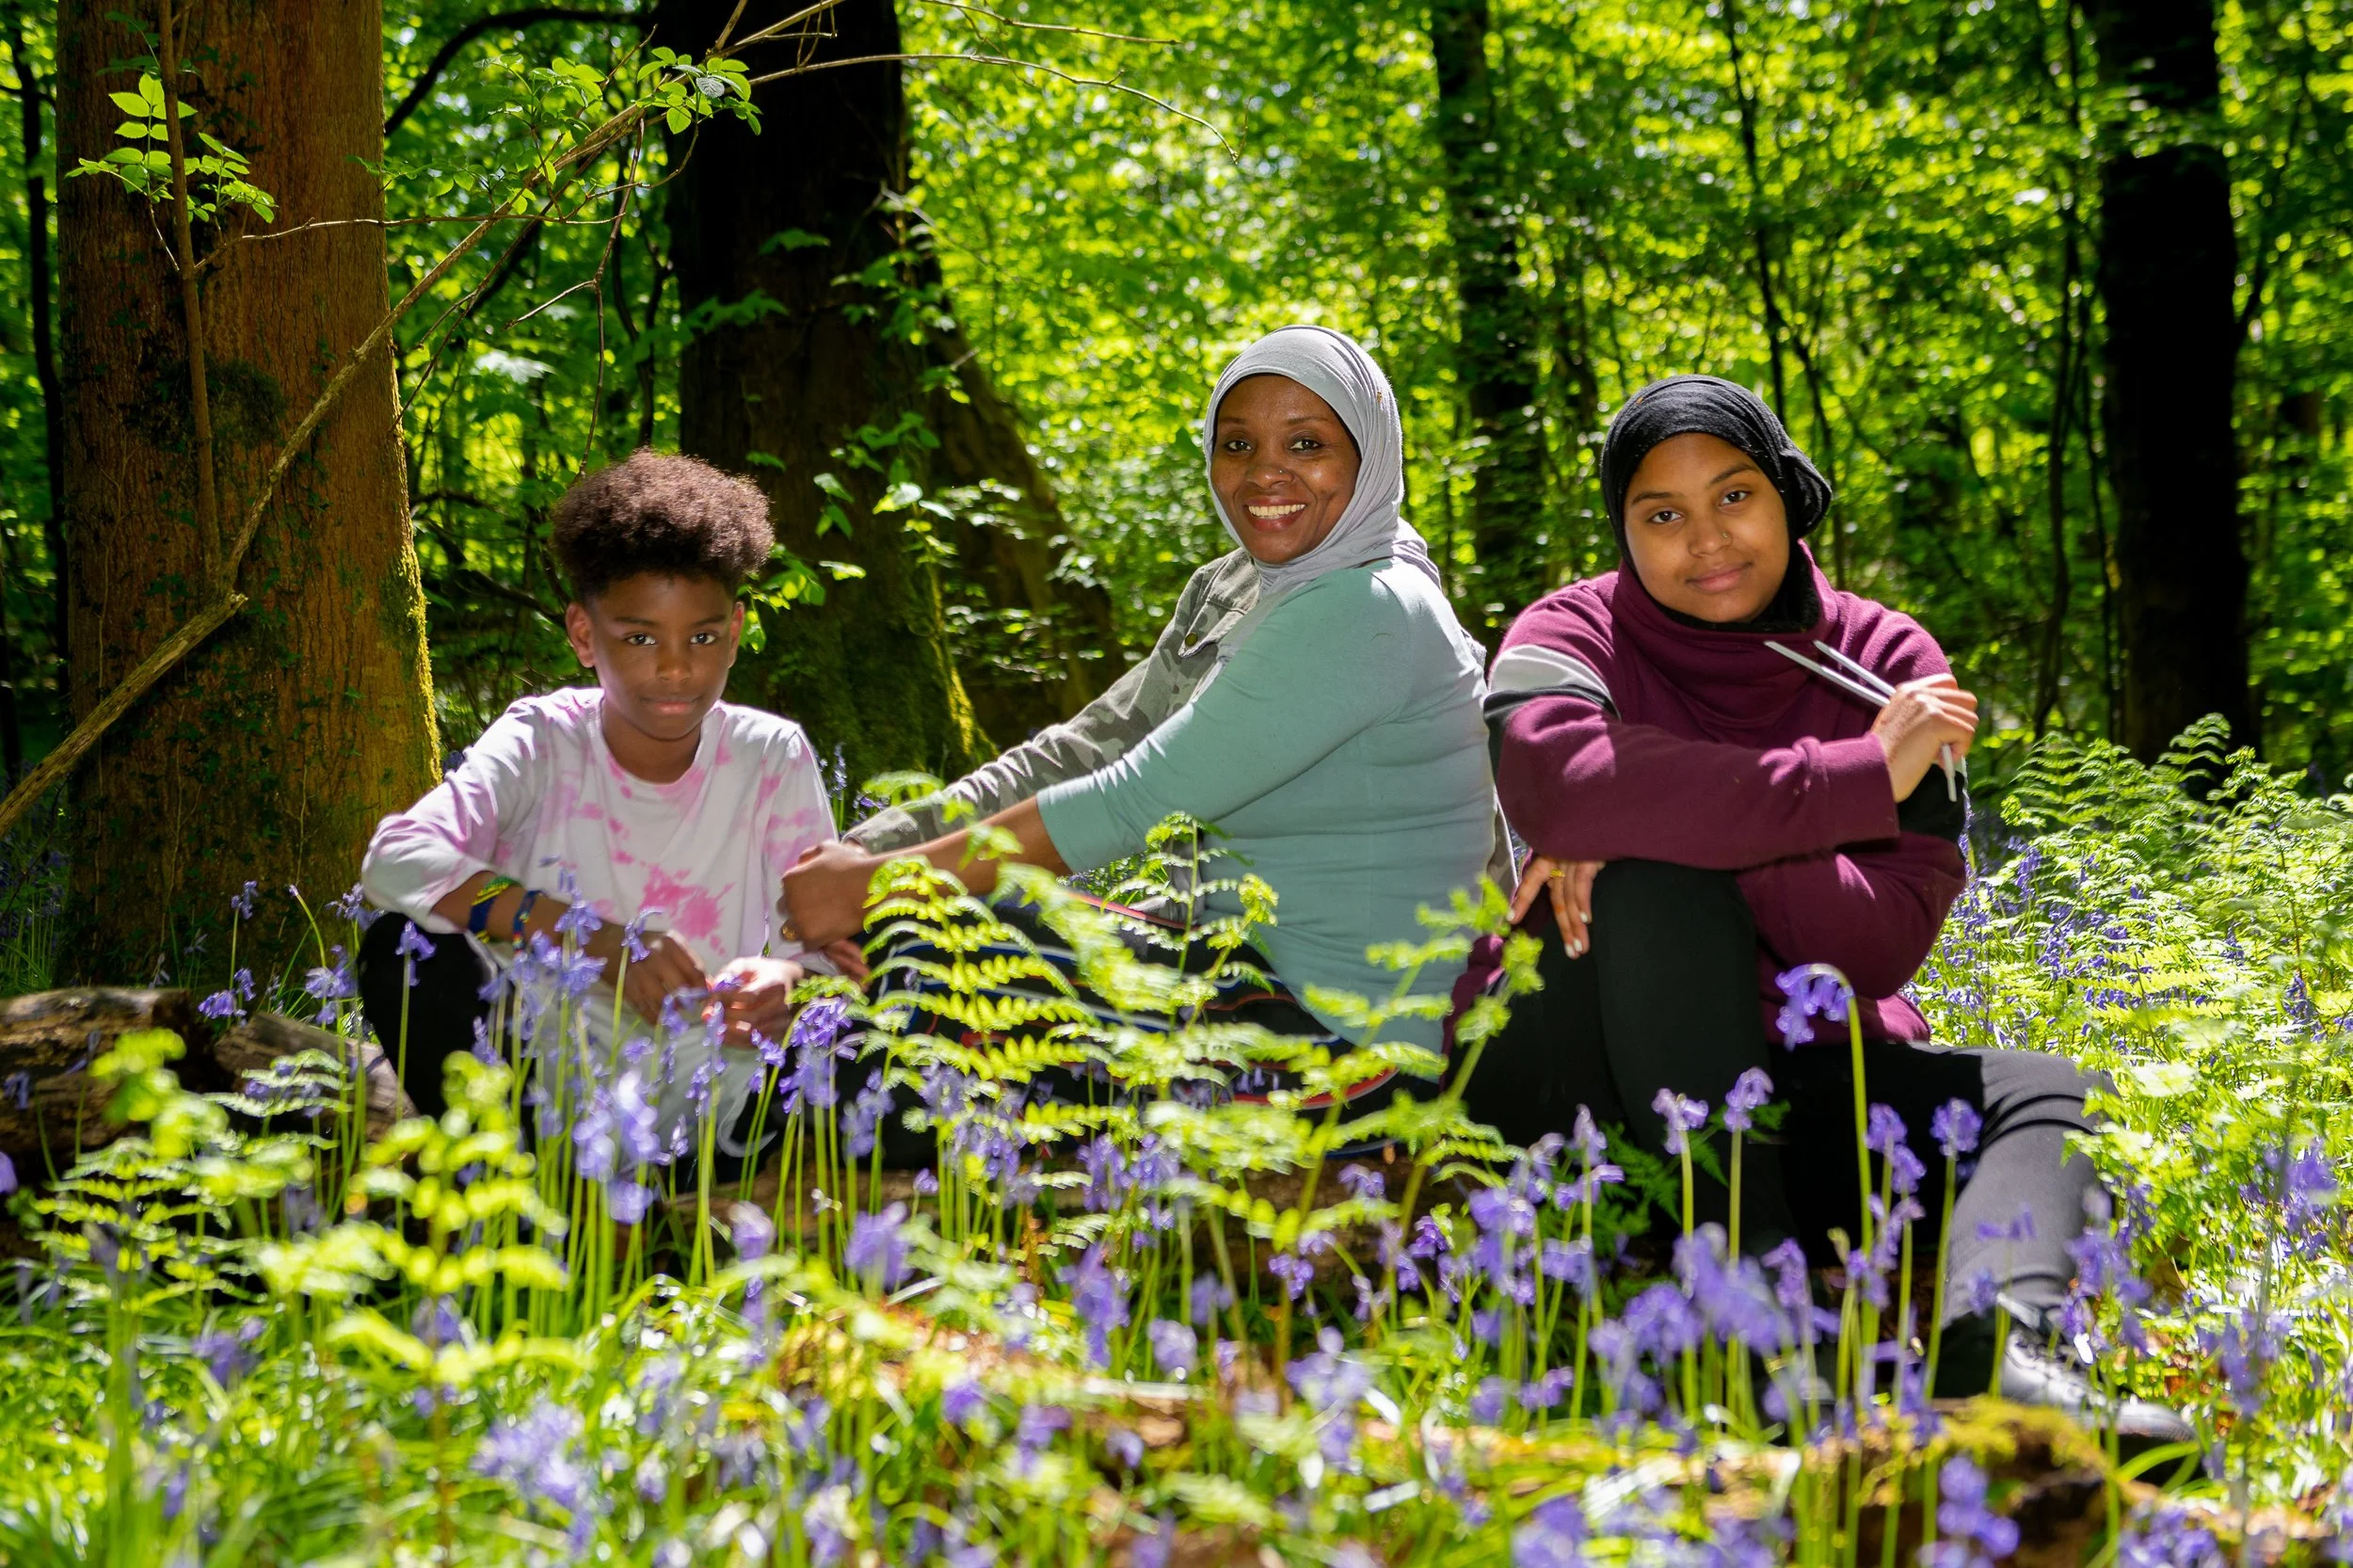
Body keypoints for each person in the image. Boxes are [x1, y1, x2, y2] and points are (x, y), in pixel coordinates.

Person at [1469, 375, 2188, 1442]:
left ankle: (1998, 1360)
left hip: (1801, 1077)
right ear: (1623, 530)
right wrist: (1846, 778)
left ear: (1790, 497)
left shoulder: (1892, 666)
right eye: (1659, 514)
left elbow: (1878, 943)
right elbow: (1553, 781)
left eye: (1734, 496)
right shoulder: (1567, 632)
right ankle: (1757, 1330)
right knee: (1659, 886)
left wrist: (1667, 810)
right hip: (1584, 1079)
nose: (1705, 539)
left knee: (2054, 1092)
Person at [779, 326, 1504, 1132]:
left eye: (1308, 443)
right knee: (928, 933)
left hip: (1341, 1054)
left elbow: (1132, 801)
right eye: (1238, 443)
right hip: (1243, 983)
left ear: (1371, 454)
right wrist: (877, 857)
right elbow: (1090, 748)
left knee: (924, 953)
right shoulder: (1247, 588)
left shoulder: (1365, 606)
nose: (1267, 471)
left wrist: (877, 888)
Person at [357, 450, 852, 1157]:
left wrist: (788, 981)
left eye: (703, 637)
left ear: (736, 633)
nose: (677, 667)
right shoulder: (542, 741)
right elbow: (396, 859)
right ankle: (530, 1186)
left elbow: (830, 959)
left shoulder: (770, 756)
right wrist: (593, 939)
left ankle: (680, 1194)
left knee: (877, 1038)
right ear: (585, 636)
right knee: (401, 954)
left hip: (712, 1091)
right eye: (640, 637)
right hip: (542, 1083)